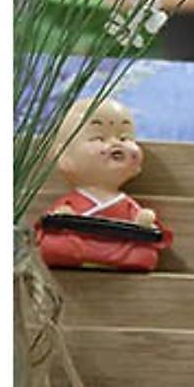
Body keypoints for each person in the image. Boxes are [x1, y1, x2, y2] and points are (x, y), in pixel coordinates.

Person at [35, 97, 173, 272]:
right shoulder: (72, 202)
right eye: (99, 138)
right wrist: (62, 218)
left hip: (120, 243)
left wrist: (144, 223)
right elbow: (45, 226)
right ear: (64, 157)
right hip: (79, 242)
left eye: (124, 138)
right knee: (54, 246)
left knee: (145, 255)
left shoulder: (128, 205)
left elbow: (155, 235)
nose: (115, 144)